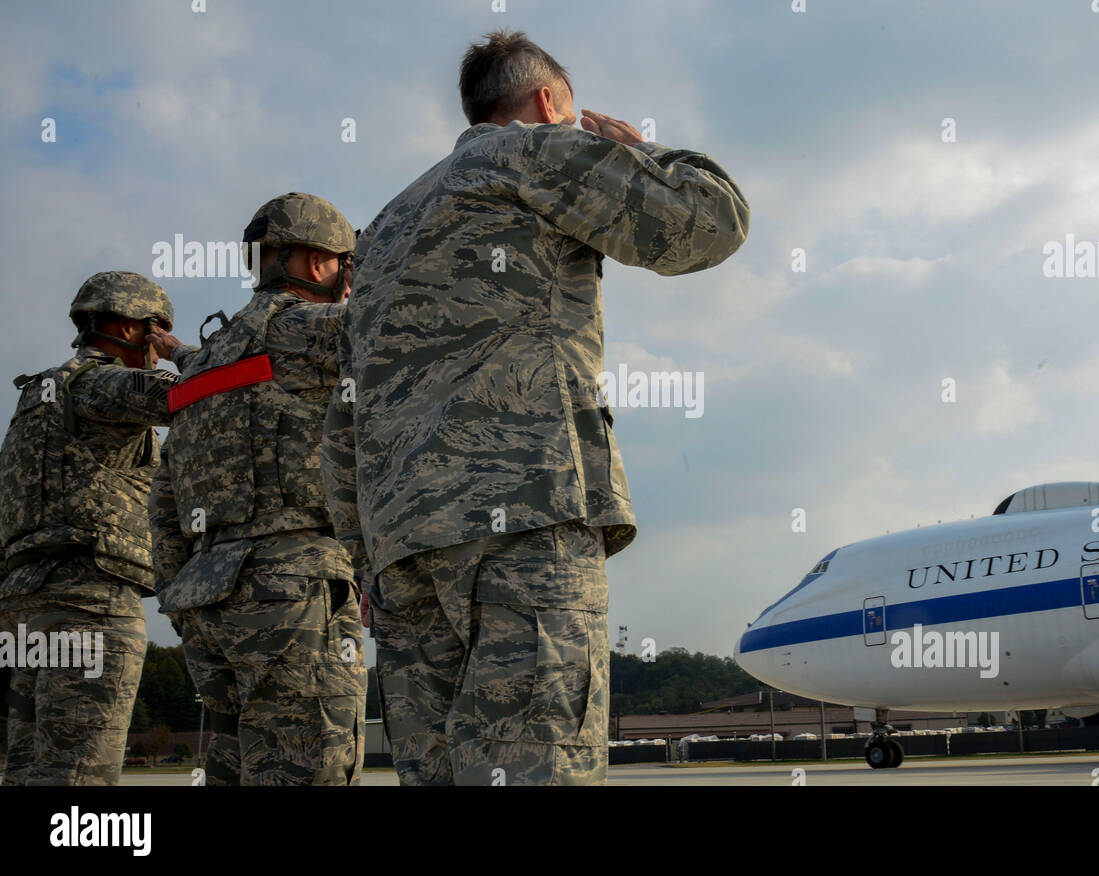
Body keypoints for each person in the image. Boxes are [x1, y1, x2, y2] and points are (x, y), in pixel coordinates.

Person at [322, 29, 749, 785]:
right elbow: (709, 224)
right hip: (523, 519)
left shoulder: (380, 231)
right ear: (549, 102)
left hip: (402, 554)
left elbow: (343, 417)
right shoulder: (529, 151)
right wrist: (645, 153)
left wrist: (366, 563)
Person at [149, 193, 365, 785]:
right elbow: (416, 321)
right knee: (306, 765)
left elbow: (163, 503)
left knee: (232, 769)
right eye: (347, 265)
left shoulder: (202, 363)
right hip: (294, 589)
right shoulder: (309, 330)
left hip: (204, 600)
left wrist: (178, 597)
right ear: (320, 264)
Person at [0, 271, 191, 785]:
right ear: (134, 329)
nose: (157, 351)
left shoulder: (36, 398)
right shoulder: (102, 383)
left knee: (26, 769)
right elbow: (208, 392)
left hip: (23, 604)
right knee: (80, 776)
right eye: (156, 334)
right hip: (88, 600)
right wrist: (185, 355)